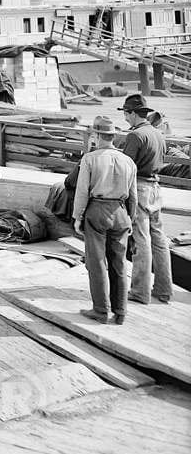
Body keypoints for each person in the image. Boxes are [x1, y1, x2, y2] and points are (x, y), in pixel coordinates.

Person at [73, 116, 138, 324]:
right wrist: (131, 219)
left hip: (97, 210)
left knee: (97, 262)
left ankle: (101, 311)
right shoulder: (128, 161)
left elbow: (82, 192)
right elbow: (133, 196)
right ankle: (120, 312)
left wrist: (77, 217)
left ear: (98, 135)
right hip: (121, 212)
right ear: (112, 136)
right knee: (119, 263)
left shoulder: (90, 159)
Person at [120, 94, 173, 304]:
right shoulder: (158, 133)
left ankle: (140, 292)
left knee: (142, 240)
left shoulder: (135, 136)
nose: (125, 118)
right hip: (156, 189)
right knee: (160, 241)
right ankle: (164, 290)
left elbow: (126, 166)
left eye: (125, 113)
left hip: (140, 188)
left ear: (133, 114)